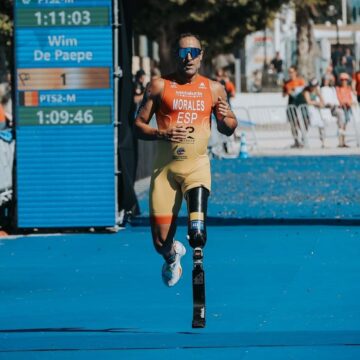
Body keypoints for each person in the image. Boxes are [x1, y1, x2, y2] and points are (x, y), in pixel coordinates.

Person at [134, 33, 237, 286]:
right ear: (175, 56)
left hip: (197, 169)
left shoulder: (214, 88)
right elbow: (137, 125)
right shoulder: (159, 86)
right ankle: (172, 257)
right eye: (182, 53)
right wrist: (162, 133)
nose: (188, 58)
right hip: (165, 172)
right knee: (160, 243)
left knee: (197, 231)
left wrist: (226, 119)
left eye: (193, 52)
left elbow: (229, 127)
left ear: (201, 56)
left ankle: (197, 255)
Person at [320, 74, 349, 147]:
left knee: (341, 115)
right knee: (324, 124)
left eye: (328, 80)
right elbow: (322, 99)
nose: (326, 81)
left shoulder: (332, 89)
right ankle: (324, 142)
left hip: (334, 108)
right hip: (325, 109)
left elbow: (335, 99)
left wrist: (336, 104)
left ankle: (341, 134)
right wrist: (327, 104)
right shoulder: (321, 89)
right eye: (325, 80)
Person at [283, 65, 306, 148]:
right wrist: (288, 92)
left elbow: (304, 90)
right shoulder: (287, 83)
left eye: (292, 72)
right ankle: (296, 141)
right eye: (289, 72)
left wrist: (294, 90)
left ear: (295, 72)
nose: (290, 74)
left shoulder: (300, 81)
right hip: (291, 105)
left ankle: (303, 139)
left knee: (304, 122)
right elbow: (284, 94)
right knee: (293, 124)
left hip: (301, 104)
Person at [299, 78, 326, 147]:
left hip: (312, 110)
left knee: (321, 124)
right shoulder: (306, 91)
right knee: (305, 125)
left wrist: (321, 102)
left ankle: (323, 141)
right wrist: (317, 103)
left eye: (314, 86)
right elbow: (308, 101)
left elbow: (322, 101)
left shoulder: (316, 90)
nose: (313, 87)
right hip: (303, 109)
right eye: (312, 86)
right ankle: (303, 140)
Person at [336, 72, 356, 147]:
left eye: (345, 80)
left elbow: (350, 98)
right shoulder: (338, 89)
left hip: (347, 109)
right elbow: (339, 98)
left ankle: (343, 141)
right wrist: (344, 103)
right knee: (340, 125)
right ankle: (340, 142)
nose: (344, 81)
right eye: (342, 80)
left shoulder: (349, 89)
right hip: (341, 109)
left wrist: (349, 103)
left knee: (344, 126)